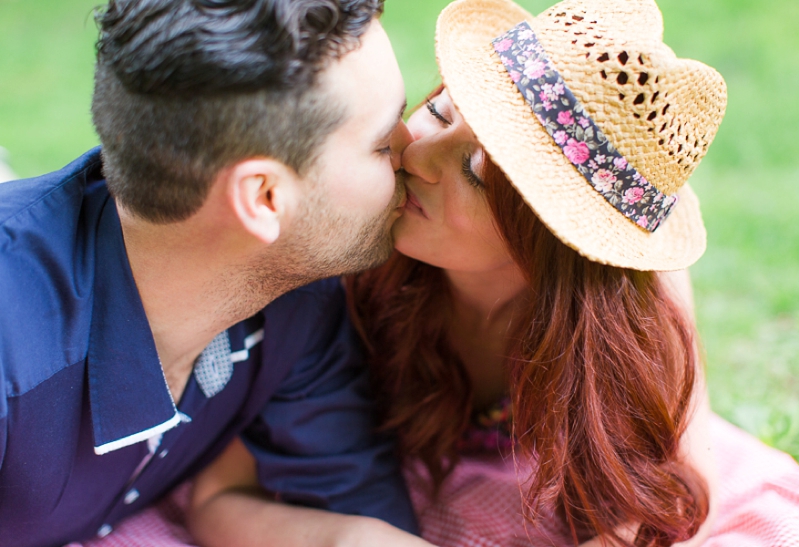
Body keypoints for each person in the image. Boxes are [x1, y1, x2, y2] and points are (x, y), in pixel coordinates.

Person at [183, 0, 728, 545]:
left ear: (554, 241)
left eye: (475, 172)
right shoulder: (340, 259)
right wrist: (355, 540)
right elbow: (217, 498)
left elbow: (674, 496)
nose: (415, 157)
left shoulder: (627, 314)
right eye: (441, 112)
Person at [0, 0, 427, 545]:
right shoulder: (11, 355)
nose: (414, 153)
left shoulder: (300, 303)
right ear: (264, 197)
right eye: (382, 143)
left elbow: (355, 500)